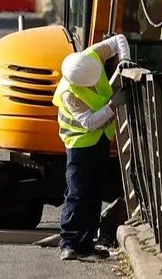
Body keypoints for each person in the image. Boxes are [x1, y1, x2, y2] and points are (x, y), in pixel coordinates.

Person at [52, 33, 130, 261]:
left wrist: (124, 60)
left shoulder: (91, 56)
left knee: (94, 192)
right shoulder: (69, 93)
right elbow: (89, 122)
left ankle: (86, 243)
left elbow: (119, 40)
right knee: (77, 193)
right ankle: (69, 243)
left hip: (99, 140)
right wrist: (113, 105)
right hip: (79, 144)